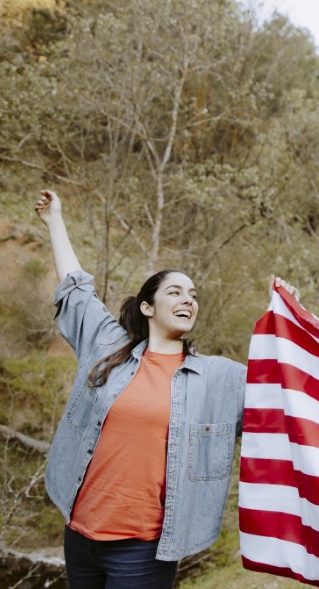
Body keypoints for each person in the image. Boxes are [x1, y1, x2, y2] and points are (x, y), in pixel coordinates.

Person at [34, 188, 248, 589]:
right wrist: (54, 221)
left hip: (143, 550)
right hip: (80, 534)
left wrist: (289, 323)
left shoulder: (219, 378)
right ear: (148, 307)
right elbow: (77, 290)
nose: (188, 299)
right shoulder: (107, 347)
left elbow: (280, 400)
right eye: (175, 291)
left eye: (193, 295)